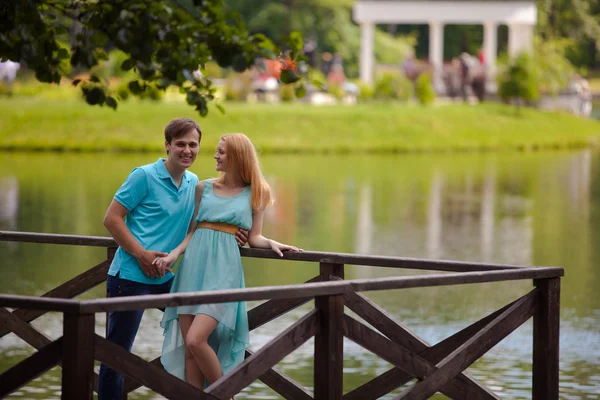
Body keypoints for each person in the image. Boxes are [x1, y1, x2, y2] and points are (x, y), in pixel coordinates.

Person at [98, 118, 248, 399]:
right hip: (130, 279)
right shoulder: (143, 176)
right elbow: (111, 219)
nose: (187, 150)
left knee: (198, 339)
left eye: (193, 145)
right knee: (116, 358)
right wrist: (141, 254)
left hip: (170, 279)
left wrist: (238, 233)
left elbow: (203, 223)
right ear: (167, 145)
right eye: (180, 144)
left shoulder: (194, 183)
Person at [154, 133, 302, 391]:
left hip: (224, 273)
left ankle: (225, 395)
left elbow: (254, 237)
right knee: (190, 351)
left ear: (236, 156)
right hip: (192, 271)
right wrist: (173, 255)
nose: (215, 155)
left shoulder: (257, 191)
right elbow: (193, 231)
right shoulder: (203, 187)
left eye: (221, 152)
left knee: (196, 341)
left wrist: (272, 243)